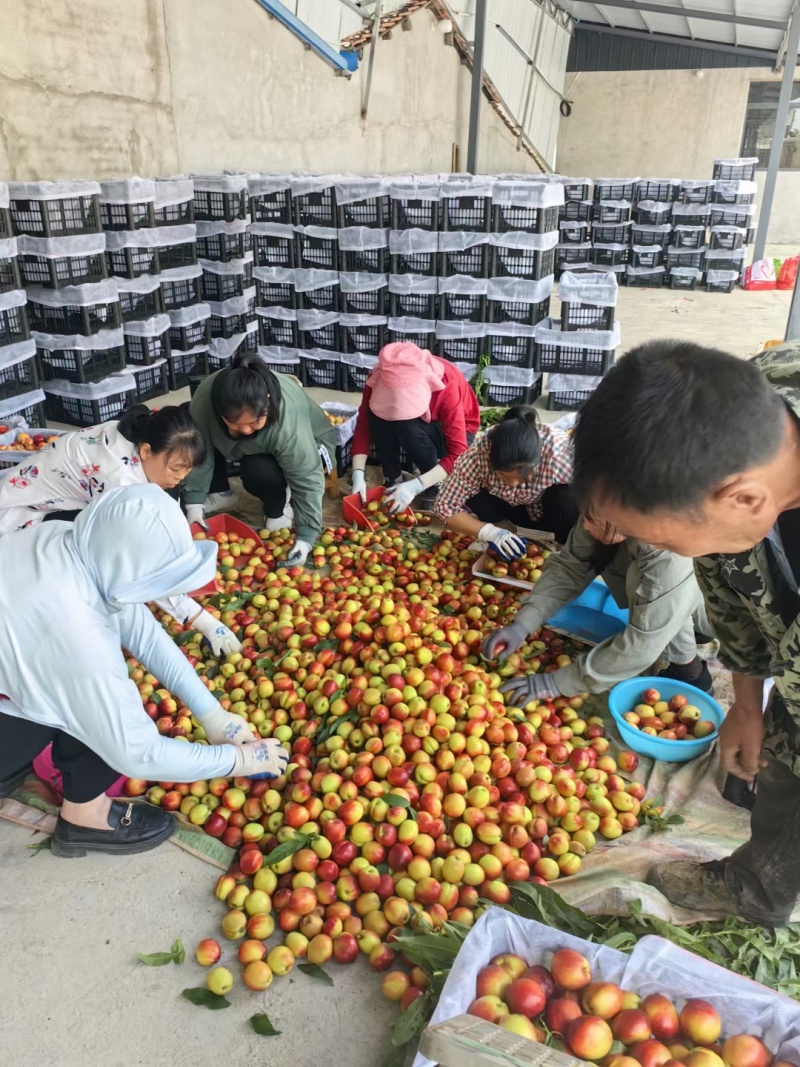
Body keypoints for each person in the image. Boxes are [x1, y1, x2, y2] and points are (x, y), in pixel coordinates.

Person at [571, 338, 800, 925]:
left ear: (746, 500)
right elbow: (727, 587)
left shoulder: (734, 489)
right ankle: (757, 886)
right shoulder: (725, 421)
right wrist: (747, 702)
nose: (661, 555)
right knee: (780, 761)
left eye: (667, 543)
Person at [0, 484, 288, 857]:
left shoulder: (66, 542)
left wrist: (211, 712)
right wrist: (239, 761)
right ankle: (86, 818)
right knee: (109, 712)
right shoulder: (76, 633)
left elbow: (143, 632)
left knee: (97, 703)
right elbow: (138, 752)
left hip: (14, 672)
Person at [0, 404, 241, 656]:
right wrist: (202, 620)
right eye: (175, 468)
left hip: (57, 503)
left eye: (186, 470)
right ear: (147, 451)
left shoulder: (134, 435)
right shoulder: (119, 481)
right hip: (16, 519)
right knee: (56, 590)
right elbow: (141, 559)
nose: (179, 477)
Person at [482, 514, 713, 703]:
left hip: (713, 614)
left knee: (650, 587)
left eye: (592, 518)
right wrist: (523, 623)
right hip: (671, 598)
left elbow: (641, 645)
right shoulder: (601, 511)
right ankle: (685, 643)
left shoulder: (665, 545)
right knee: (640, 581)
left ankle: (690, 671)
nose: (585, 525)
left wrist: (555, 683)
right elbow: (570, 568)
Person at [185, 353, 336, 568]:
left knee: (259, 470)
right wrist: (194, 504)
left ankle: (278, 504)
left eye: (255, 422)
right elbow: (199, 450)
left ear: (267, 402)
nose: (246, 429)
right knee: (187, 432)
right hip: (248, 448)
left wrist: (306, 537)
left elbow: (306, 475)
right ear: (219, 412)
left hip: (312, 444)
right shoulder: (205, 402)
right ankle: (220, 491)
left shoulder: (286, 420)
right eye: (236, 424)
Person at [349, 342, 480, 512]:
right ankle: (392, 479)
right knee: (376, 415)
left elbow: (458, 452)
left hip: (454, 432)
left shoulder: (447, 385)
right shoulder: (379, 376)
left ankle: (434, 485)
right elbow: (364, 426)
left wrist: (418, 484)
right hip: (415, 425)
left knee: (408, 426)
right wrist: (357, 474)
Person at [434, 406, 577, 557]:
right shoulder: (478, 456)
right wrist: (488, 532)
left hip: (546, 514)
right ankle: (500, 531)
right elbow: (445, 505)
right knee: (472, 490)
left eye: (523, 477)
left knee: (568, 494)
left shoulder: (560, 453)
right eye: (504, 476)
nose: (513, 484)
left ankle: (565, 544)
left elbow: (598, 494)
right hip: (506, 511)